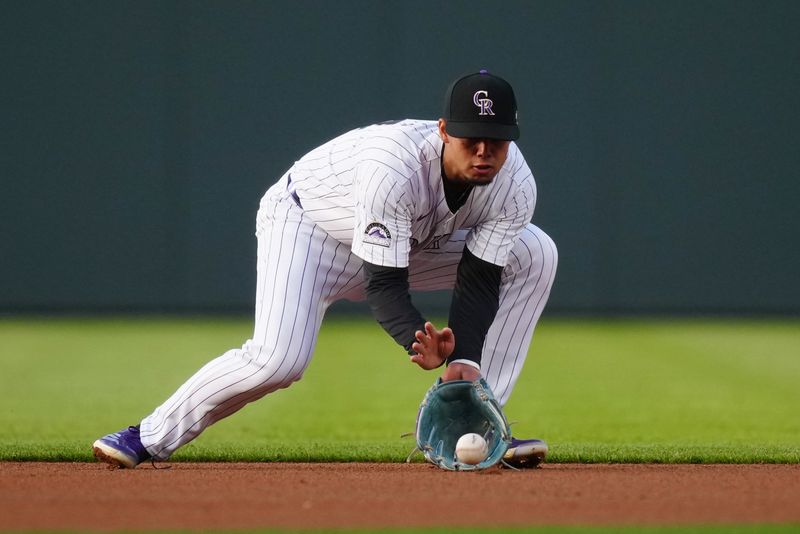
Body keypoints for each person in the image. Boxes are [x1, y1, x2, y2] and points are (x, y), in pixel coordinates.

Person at [93, 70, 558, 469]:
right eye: (469, 138)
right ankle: (148, 437)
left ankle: (476, 421)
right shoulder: (394, 167)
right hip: (309, 230)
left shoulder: (515, 184)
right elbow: (384, 284)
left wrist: (463, 360)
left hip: (412, 241)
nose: (482, 151)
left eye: (495, 140)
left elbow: (479, 277)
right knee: (277, 361)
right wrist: (417, 338)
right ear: (442, 131)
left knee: (535, 252)